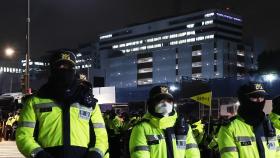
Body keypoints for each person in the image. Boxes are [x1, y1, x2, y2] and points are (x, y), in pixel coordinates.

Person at [16, 50, 109, 158]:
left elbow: (101, 138)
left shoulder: (89, 103)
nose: (64, 70)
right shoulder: (35, 101)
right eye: (60, 66)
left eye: (68, 67)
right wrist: (40, 155)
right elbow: (23, 136)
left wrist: (95, 154)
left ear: (74, 70)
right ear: (52, 70)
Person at [129, 85, 200, 158]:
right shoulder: (141, 128)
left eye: (168, 100)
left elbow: (193, 153)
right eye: (160, 99)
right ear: (151, 104)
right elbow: (140, 155)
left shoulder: (184, 126)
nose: (165, 103)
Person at [218, 82, 280, 158]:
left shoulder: (270, 126)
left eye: (262, 97)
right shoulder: (229, 128)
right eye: (254, 97)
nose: (259, 101)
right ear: (243, 99)